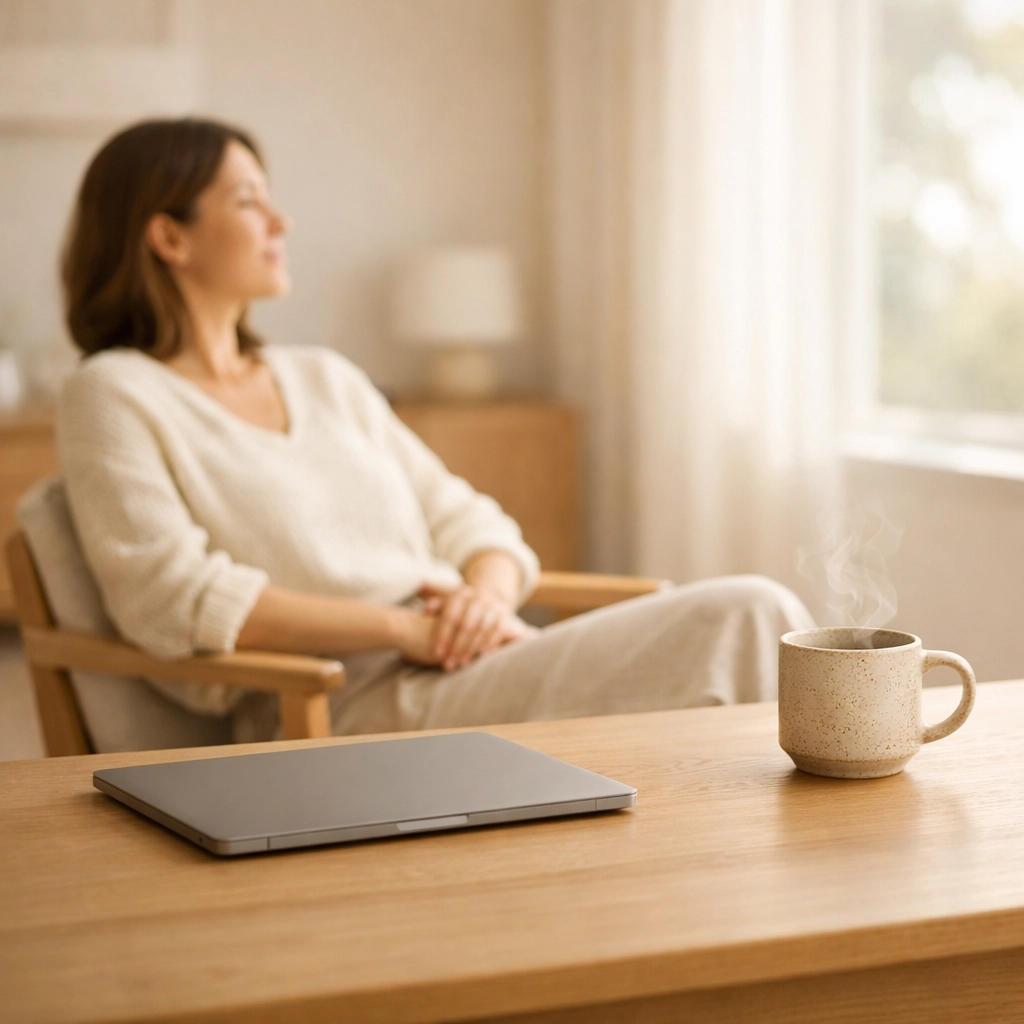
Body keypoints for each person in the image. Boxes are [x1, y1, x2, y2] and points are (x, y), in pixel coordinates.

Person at [58, 118, 815, 744]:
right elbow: (174, 599)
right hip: (333, 704)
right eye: (249, 200)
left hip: (462, 662)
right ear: (170, 237)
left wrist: (483, 598)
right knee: (750, 617)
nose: (281, 222)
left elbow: (468, 521)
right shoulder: (114, 394)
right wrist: (400, 630)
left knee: (758, 617)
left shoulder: (324, 377)